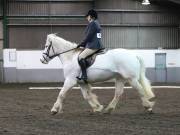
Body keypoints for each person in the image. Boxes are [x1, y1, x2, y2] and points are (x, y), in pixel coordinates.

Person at [77, 9, 104, 82]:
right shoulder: (97, 23)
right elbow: (95, 36)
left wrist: (81, 44)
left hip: (93, 46)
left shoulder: (92, 24)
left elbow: (89, 36)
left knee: (80, 57)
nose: (87, 18)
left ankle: (84, 75)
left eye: (88, 16)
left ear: (91, 16)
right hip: (97, 44)